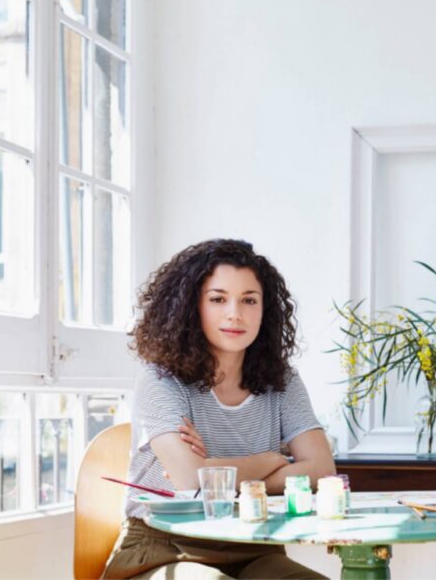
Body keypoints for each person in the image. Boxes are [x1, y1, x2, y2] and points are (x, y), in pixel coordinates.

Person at [103, 239, 335, 580]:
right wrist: (271, 461)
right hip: (162, 549)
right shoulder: (160, 381)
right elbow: (189, 481)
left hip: (254, 548)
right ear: (190, 307)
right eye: (217, 299)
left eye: (249, 300)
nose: (235, 314)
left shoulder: (282, 380)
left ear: (265, 310)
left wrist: (214, 470)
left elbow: (321, 469)